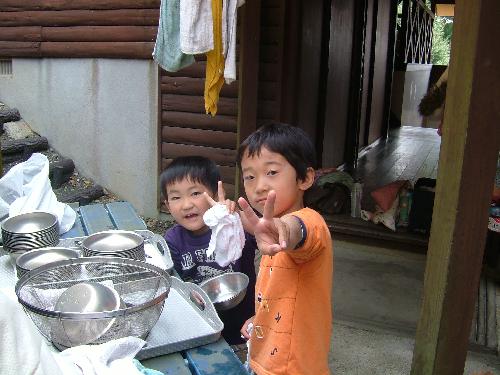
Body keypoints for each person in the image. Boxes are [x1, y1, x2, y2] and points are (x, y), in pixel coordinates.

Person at [237, 122, 333, 375]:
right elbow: (280, 295)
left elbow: (295, 230)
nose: (259, 186)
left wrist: (281, 229)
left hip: (294, 367)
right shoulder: (266, 233)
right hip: (265, 359)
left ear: (305, 178)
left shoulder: (312, 223)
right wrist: (260, 319)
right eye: (249, 176)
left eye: (271, 172)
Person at [160, 156, 256, 345]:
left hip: (245, 321)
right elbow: (174, 285)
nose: (186, 204)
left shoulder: (233, 225)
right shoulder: (172, 241)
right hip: (201, 326)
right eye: (176, 197)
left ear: (214, 193)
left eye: (195, 193)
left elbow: (266, 238)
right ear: (167, 205)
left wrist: (235, 216)